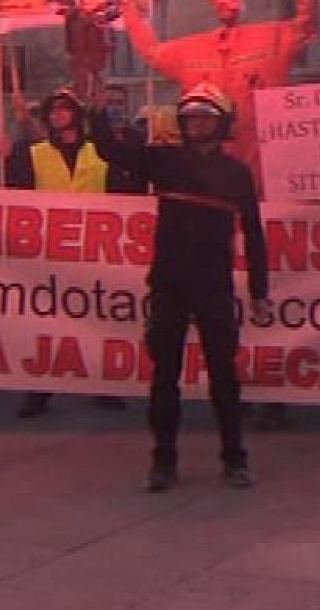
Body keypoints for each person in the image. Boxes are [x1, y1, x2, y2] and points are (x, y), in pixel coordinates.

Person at [89, 83, 267, 491]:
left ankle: (234, 457)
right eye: (189, 118)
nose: (196, 124)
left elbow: (254, 234)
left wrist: (259, 291)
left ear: (220, 122)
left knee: (224, 374)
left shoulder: (237, 173)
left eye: (204, 117)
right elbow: (110, 151)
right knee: (164, 374)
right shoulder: (164, 160)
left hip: (214, 286)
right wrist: (97, 115)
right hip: (169, 282)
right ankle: (163, 460)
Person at [120, 0, 317, 194]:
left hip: (264, 160)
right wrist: (128, 7)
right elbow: (151, 51)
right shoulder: (194, 50)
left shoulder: (272, 38)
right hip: (210, 165)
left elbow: (306, 27)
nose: (221, 2)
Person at [8, 87, 119, 418]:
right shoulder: (34, 153)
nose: (57, 115)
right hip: (49, 250)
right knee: (44, 322)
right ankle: (39, 389)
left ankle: (104, 385)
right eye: (52, 110)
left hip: (95, 249)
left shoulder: (100, 151)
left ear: (77, 114)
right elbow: (16, 191)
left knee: (97, 319)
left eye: (64, 108)